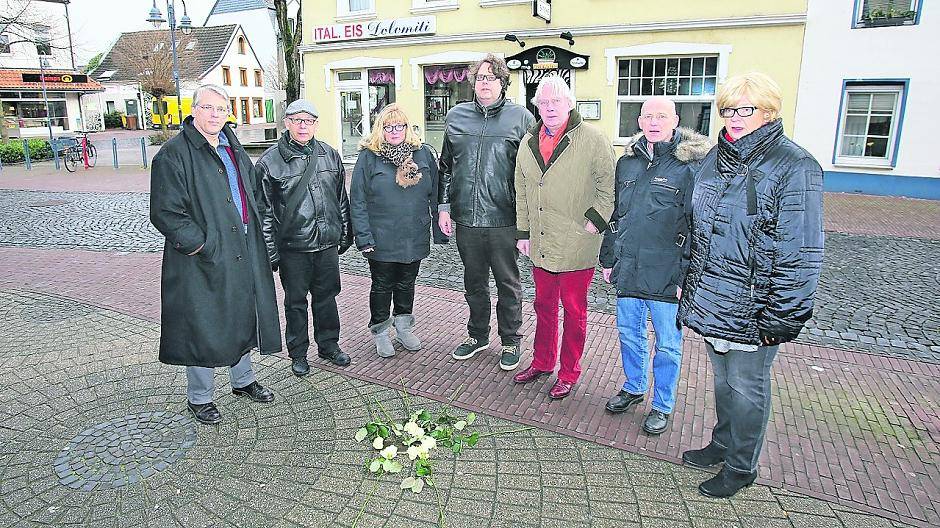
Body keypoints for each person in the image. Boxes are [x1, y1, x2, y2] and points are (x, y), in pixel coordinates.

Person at [678, 72, 824, 498]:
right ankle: (723, 445)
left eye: (747, 110)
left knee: (747, 387)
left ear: (769, 111)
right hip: (712, 299)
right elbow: (697, 229)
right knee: (723, 383)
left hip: (754, 305)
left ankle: (742, 466)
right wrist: (690, 284)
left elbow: (801, 251)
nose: (735, 118)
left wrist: (782, 315)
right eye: (727, 109)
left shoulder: (795, 165)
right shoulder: (714, 158)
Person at [150, 84, 281, 425]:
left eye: (221, 110)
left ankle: (243, 380)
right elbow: (165, 212)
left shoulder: (230, 146)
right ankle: (200, 397)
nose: (215, 115)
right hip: (201, 257)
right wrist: (202, 245)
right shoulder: (174, 153)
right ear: (193, 110)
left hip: (242, 246)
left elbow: (251, 191)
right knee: (203, 322)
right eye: (208, 108)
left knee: (241, 312)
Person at [599, 96, 711, 434]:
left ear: (675, 120)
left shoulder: (690, 166)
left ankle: (662, 404)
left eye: (662, 116)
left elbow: (698, 226)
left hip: (667, 272)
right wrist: (608, 258)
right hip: (630, 266)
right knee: (629, 335)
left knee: (667, 344)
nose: (654, 121)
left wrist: (685, 275)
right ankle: (634, 388)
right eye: (648, 115)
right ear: (639, 121)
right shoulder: (628, 163)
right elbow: (616, 215)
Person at [512, 74, 615, 400]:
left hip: (575, 242)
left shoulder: (593, 139)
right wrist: (523, 232)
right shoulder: (528, 143)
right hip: (541, 240)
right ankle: (542, 362)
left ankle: (568, 372)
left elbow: (608, 186)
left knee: (574, 310)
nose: (550, 108)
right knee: (543, 306)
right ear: (536, 107)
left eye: (556, 101)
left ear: (570, 104)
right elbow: (522, 190)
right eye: (543, 102)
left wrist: (593, 224)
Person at [438, 53, 535, 371]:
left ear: (503, 83)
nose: (484, 83)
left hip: (504, 218)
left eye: (491, 78)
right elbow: (445, 167)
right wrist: (443, 207)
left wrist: (527, 222)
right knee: (473, 283)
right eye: (480, 78)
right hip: (466, 218)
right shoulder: (456, 116)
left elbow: (532, 174)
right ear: (472, 82)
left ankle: (511, 340)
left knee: (508, 284)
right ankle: (477, 335)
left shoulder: (521, 118)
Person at [256, 100, 353, 377]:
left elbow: (340, 198)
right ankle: (298, 353)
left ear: (315, 125)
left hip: (326, 243)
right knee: (295, 302)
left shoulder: (330, 155)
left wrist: (345, 232)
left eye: (308, 121)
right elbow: (263, 212)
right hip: (293, 247)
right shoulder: (269, 162)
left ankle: (329, 345)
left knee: (327, 297)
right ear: (286, 122)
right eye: (297, 120)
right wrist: (271, 252)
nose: (302, 126)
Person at [350, 104, 447, 357]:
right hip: (381, 236)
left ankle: (404, 327)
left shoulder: (423, 154)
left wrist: (439, 230)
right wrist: (363, 236)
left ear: (407, 127)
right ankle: (380, 331)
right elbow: (357, 199)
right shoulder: (369, 157)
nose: (394, 131)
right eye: (388, 126)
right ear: (380, 129)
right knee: (382, 284)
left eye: (399, 126)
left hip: (413, 234)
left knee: (406, 282)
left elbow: (435, 194)